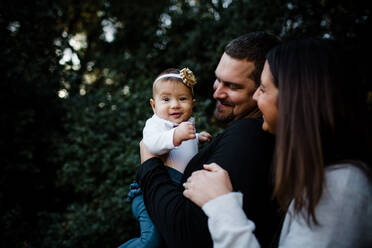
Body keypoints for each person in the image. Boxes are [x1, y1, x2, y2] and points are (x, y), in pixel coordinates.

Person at [183, 38, 372, 247]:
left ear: (294, 100)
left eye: (263, 89)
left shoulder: (340, 190)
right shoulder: (324, 179)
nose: (255, 97)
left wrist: (221, 206)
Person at [137, 32, 282, 248]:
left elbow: (188, 235)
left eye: (232, 86)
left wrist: (149, 164)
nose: (216, 93)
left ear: (262, 89)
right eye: (218, 79)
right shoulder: (246, 134)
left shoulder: (248, 137)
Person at [120, 68, 211, 248]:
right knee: (151, 241)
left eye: (182, 99)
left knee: (166, 239)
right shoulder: (156, 124)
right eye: (166, 99)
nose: (175, 105)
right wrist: (177, 136)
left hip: (172, 190)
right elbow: (152, 144)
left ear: (193, 103)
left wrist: (197, 137)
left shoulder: (184, 125)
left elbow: (183, 147)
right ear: (154, 106)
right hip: (147, 193)